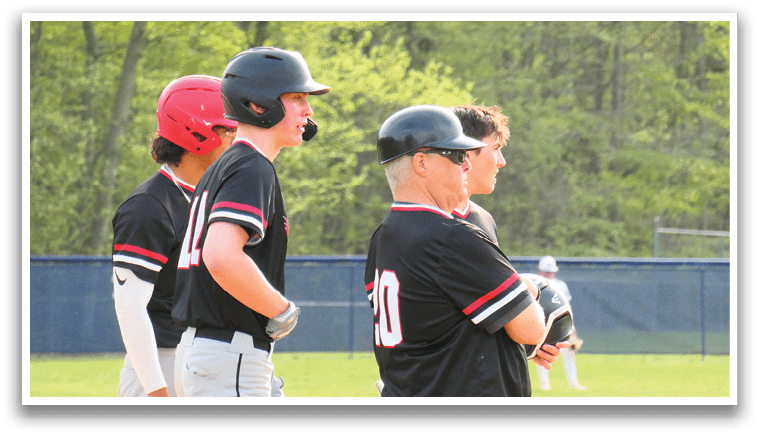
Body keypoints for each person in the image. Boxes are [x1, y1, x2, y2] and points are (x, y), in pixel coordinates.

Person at [171, 47, 330, 397]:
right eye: (297, 97)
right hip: (229, 353)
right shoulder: (253, 166)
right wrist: (281, 309)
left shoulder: (226, 164)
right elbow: (221, 256)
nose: (309, 110)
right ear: (258, 105)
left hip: (212, 353)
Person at [365, 104, 551, 397]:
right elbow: (531, 330)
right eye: (455, 155)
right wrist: (530, 287)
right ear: (421, 163)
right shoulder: (452, 237)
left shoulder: (384, 235)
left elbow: (442, 328)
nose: (465, 164)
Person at [112, 75, 238, 397]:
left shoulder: (214, 194)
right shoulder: (148, 206)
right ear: (197, 133)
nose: (236, 138)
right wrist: (157, 390)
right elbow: (130, 308)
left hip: (206, 359)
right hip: (160, 363)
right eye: (228, 129)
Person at [450, 103, 567, 373]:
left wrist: (520, 346)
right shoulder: (440, 225)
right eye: (496, 149)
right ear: (466, 153)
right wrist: (526, 288)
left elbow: (479, 314)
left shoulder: (481, 218)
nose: (502, 161)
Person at [535, 255, 587, 390]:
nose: (548, 273)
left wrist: (572, 325)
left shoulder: (561, 285)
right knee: (544, 354)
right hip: (544, 325)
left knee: (569, 353)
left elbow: (567, 306)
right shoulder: (536, 284)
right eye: (546, 271)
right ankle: (544, 384)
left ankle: (574, 383)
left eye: (550, 271)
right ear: (541, 271)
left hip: (562, 324)